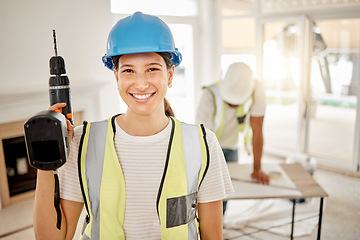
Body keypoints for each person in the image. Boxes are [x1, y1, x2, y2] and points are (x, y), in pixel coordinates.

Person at [33, 12, 233, 240]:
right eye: (128, 70)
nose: (141, 83)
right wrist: (46, 160)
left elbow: (212, 236)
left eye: (152, 69)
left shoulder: (202, 143)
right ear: (116, 76)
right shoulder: (82, 141)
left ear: (170, 74)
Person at [195, 62, 269, 214]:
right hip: (210, 147)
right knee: (210, 190)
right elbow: (202, 139)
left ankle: (219, 225)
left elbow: (257, 130)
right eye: (230, 101)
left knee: (225, 192)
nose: (234, 105)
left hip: (232, 146)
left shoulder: (257, 90)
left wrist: (257, 168)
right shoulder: (209, 95)